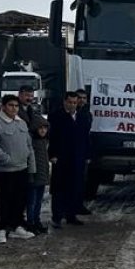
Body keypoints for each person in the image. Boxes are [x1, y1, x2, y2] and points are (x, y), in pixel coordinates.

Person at [0, 94, 37, 243]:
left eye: (16, 106)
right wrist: (6, 159)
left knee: (19, 199)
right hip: (3, 171)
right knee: (3, 199)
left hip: (21, 169)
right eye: (10, 105)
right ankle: (1, 229)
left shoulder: (21, 124)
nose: (14, 108)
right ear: (3, 106)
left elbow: (29, 146)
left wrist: (31, 166)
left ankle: (17, 226)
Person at [49, 91, 92, 226]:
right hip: (61, 158)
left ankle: (71, 215)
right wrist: (52, 154)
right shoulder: (56, 116)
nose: (73, 105)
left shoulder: (82, 117)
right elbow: (52, 137)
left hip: (78, 157)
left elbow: (86, 137)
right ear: (64, 102)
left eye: (75, 102)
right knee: (59, 188)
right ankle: (57, 217)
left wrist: (88, 155)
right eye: (70, 102)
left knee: (75, 187)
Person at [27, 115, 51, 233]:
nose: (43, 130)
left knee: (38, 201)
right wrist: (30, 175)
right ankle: (30, 222)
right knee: (31, 202)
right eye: (40, 128)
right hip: (34, 176)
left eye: (45, 128)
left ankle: (37, 220)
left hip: (41, 176)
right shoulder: (32, 141)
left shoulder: (44, 141)